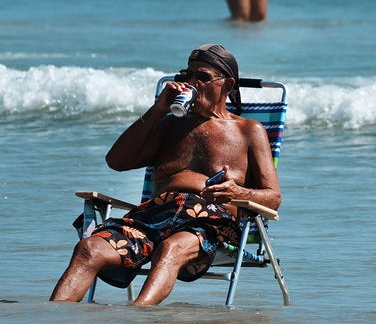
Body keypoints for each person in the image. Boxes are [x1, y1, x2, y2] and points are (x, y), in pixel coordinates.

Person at [50, 45, 282, 306]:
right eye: (187, 75)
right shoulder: (167, 125)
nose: (192, 83)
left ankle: (137, 316)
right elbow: (115, 161)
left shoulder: (249, 131)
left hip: (209, 223)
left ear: (227, 85)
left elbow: (273, 198)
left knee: (171, 247)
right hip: (152, 218)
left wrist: (237, 192)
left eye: (203, 77)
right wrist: (157, 110)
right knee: (88, 249)